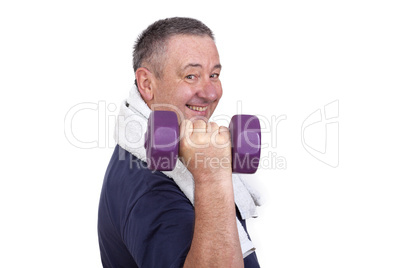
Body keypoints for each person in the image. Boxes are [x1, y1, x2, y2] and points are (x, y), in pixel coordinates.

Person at [98, 17, 262, 268]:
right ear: (147, 84)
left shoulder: (175, 154)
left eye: (214, 75)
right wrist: (212, 176)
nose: (210, 93)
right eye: (191, 76)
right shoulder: (149, 187)